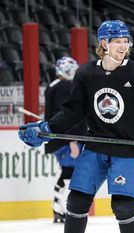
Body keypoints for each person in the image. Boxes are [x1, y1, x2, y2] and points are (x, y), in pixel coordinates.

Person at [19, 20, 134, 233]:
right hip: (96, 147)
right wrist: (46, 129)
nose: (123, 47)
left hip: (128, 149)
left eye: (126, 41)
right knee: (76, 202)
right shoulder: (86, 74)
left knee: (123, 206)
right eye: (117, 42)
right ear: (104, 43)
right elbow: (73, 112)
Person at [44, 56, 86, 223]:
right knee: (70, 173)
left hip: (58, 138)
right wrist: (72, 140)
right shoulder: (65, 86)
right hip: (66, 138)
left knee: (68, 172)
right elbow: (67, 115)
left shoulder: (52, 85)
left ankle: (58, 207)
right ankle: (62, 207)